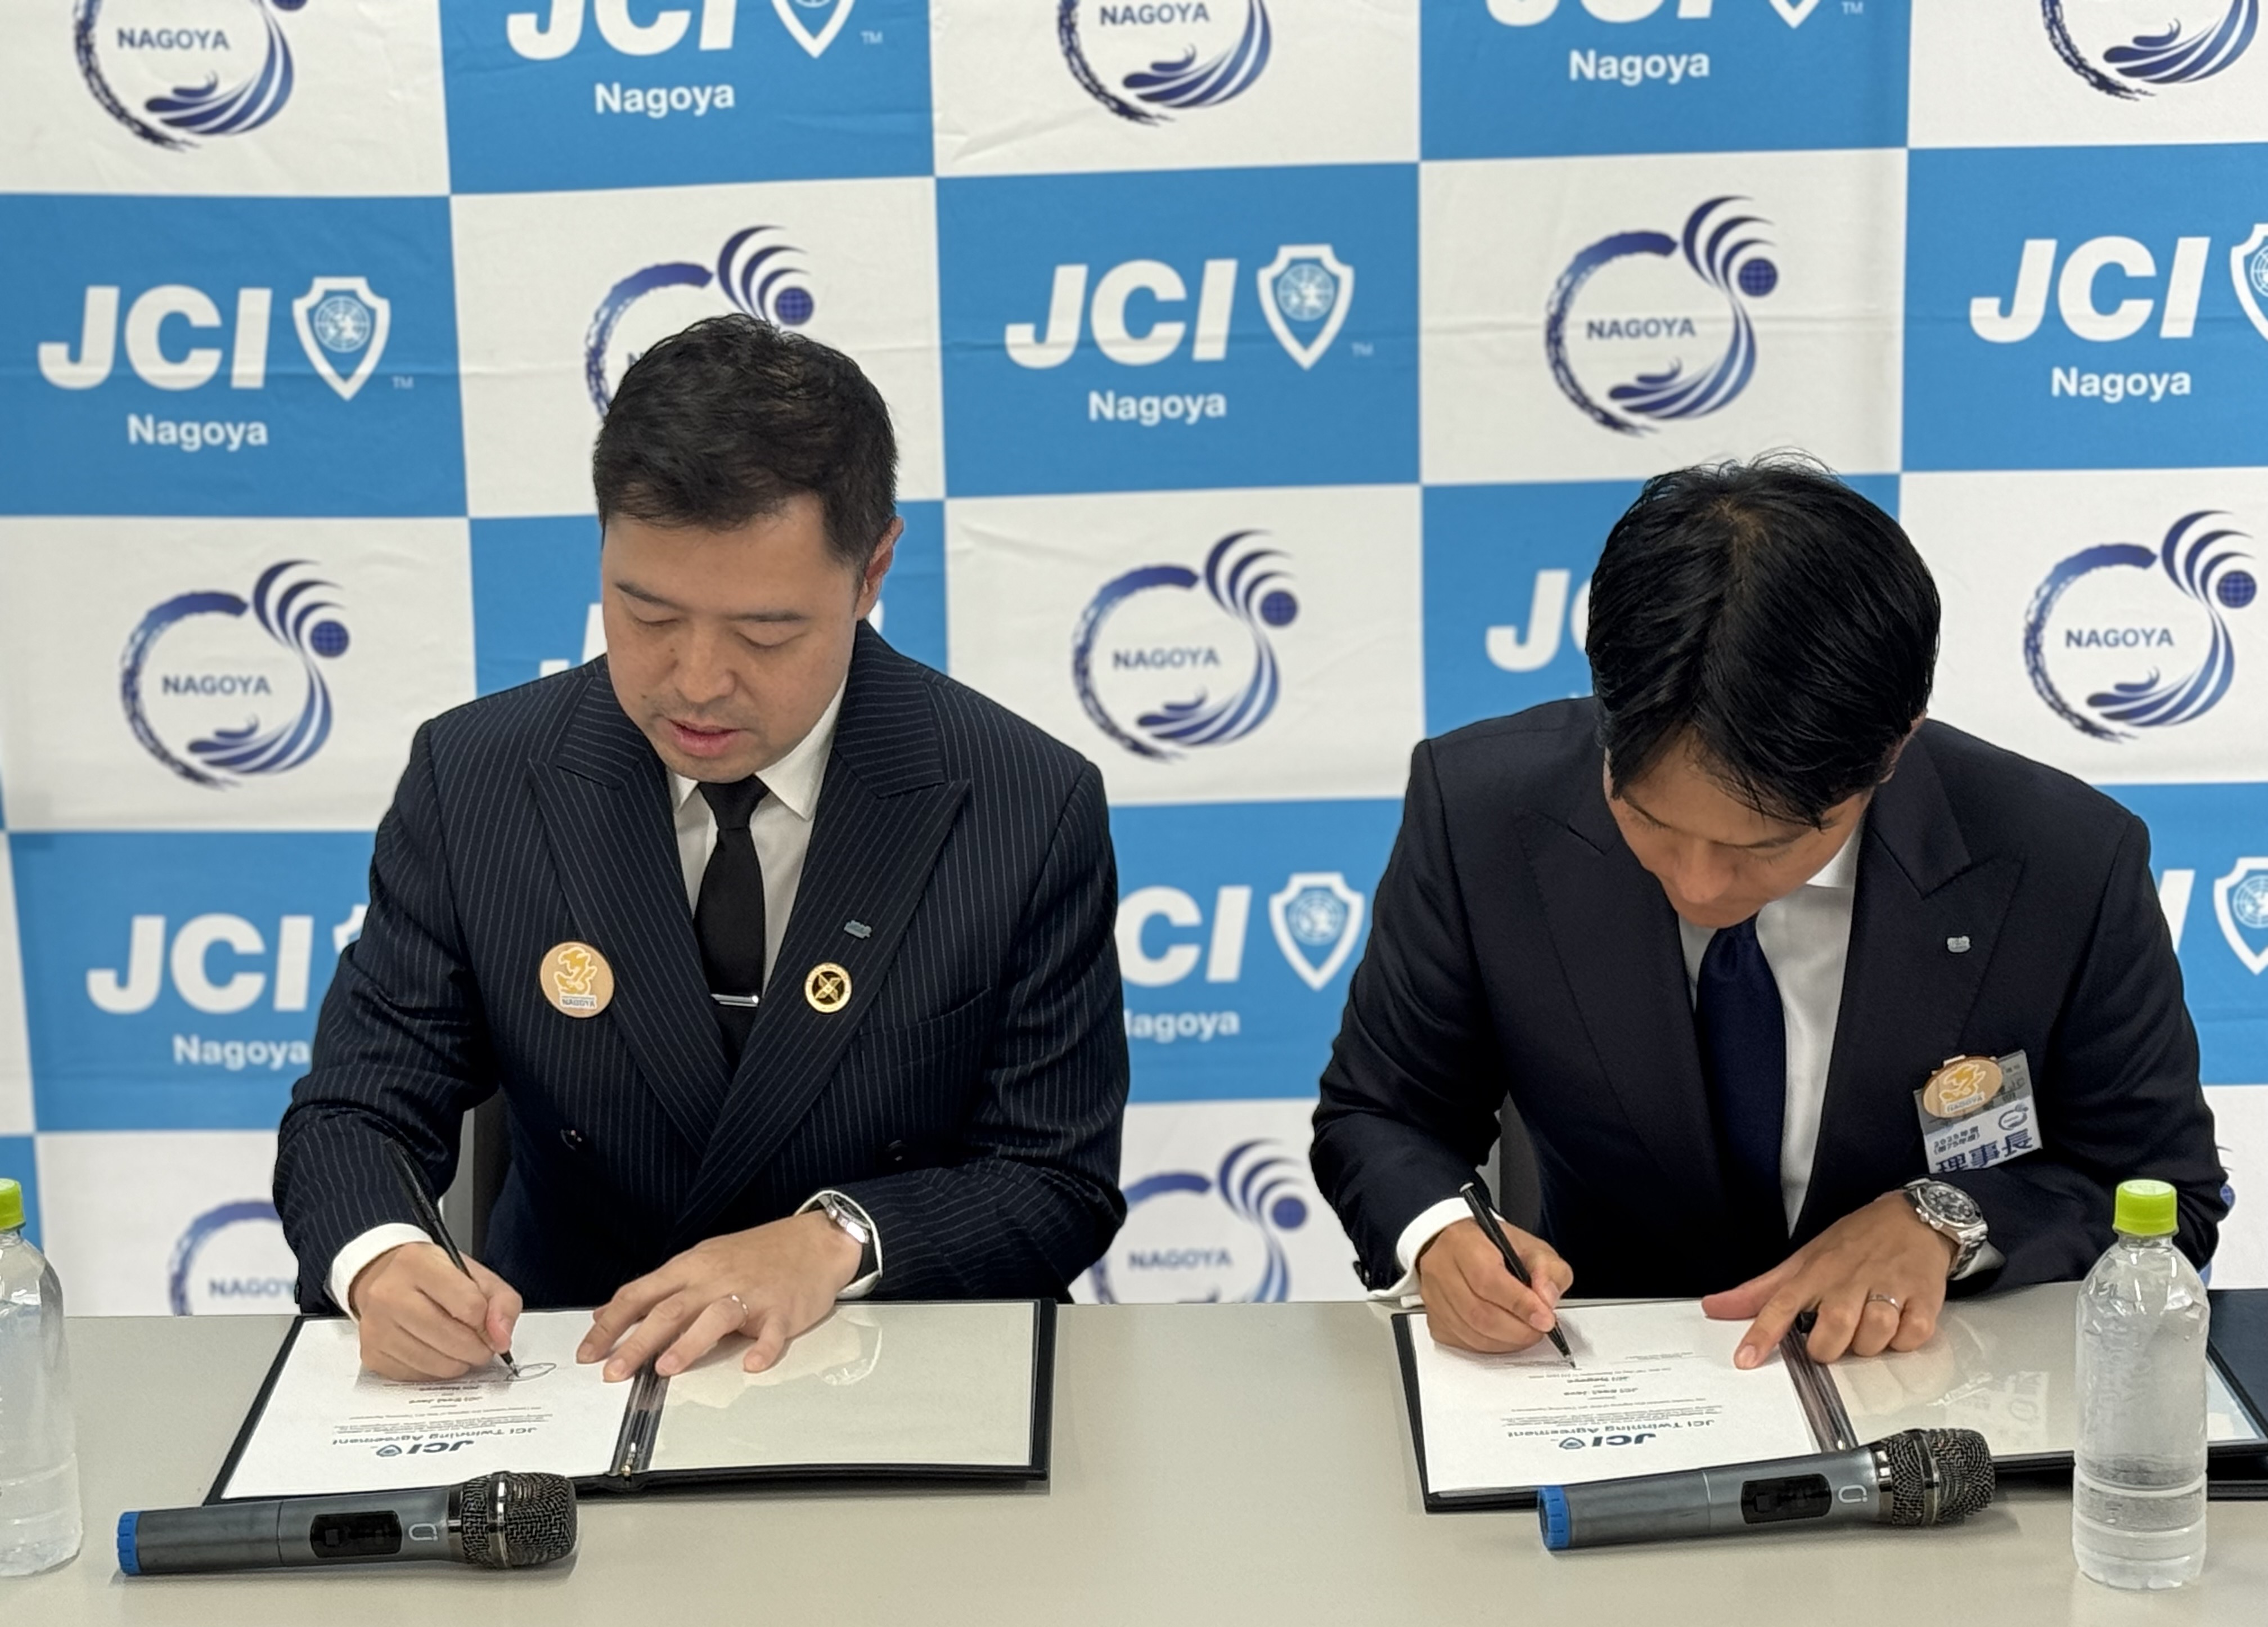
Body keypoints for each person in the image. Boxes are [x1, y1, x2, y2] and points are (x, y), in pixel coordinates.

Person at [276, 316, 1127, 1383]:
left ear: (872, 571)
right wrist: (382, 1259)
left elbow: (1056, 1181)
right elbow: (356, 1108)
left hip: (891, 1372)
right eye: (647, 616)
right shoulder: (478, 778)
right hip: (570, 1364)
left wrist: (834, 1240)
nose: (696, 682)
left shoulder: (1024, 803)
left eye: (765, 634)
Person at [1312, 457, 2225, 1369]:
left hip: (1931, 1384)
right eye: (1648, 821)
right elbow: (1383, 1112)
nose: (1699, 885)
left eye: (1765, 846)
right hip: (1604, 1375)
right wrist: (1437, 1233)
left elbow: (2162, 1194)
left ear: (1892, 750)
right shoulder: (1483, 814)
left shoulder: (2061, 862)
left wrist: (1947, 1222)